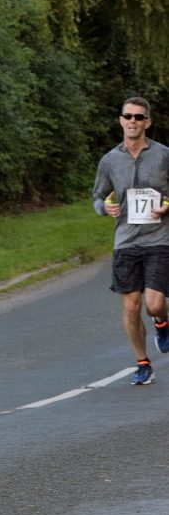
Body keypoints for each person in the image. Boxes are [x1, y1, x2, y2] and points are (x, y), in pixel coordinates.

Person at [92, 96, 169, 384]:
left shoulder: (163, 155)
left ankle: (161, 322)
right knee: (130, 307)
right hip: (125, 241)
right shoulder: (110, 160)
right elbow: (97, 196)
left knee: (153, 303)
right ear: (121, 121)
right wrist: (105, 207)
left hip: (159, 238)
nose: (133, 121)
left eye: (139, 117)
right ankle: (143, 363)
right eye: (128, 116)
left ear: (147, 122)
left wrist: (167, 205)